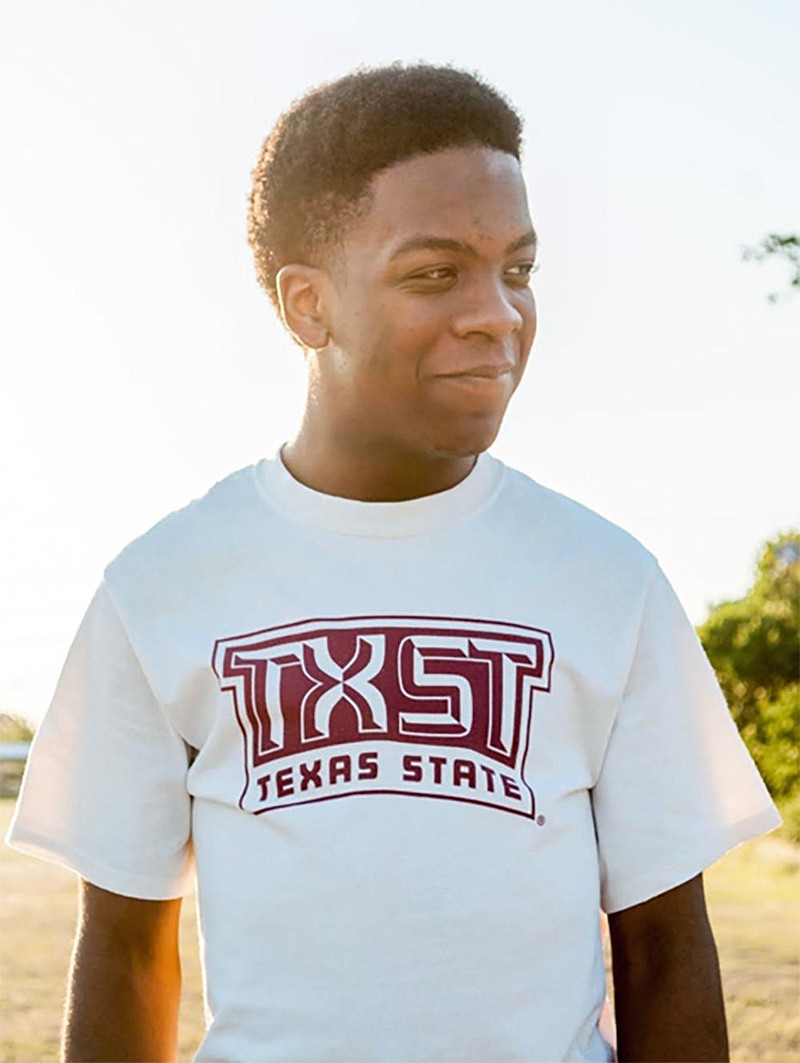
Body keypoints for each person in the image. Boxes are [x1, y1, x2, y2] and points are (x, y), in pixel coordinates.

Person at [8, 63, 780, 1063]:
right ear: (306, 307)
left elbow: (665, 951)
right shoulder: (163, 586)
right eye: (434, 273)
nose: (496, 313)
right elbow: (122, 950)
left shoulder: (607, 581)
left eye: (517, 268)